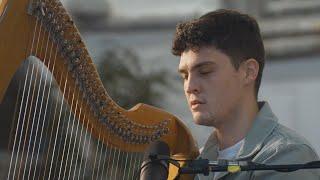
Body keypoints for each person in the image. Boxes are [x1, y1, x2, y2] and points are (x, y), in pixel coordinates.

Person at [171, 9, 320, 180]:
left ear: (248, 72)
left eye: (204, 72)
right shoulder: (196, 163)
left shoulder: (289, 156)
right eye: (184, 76)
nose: (190, 86)